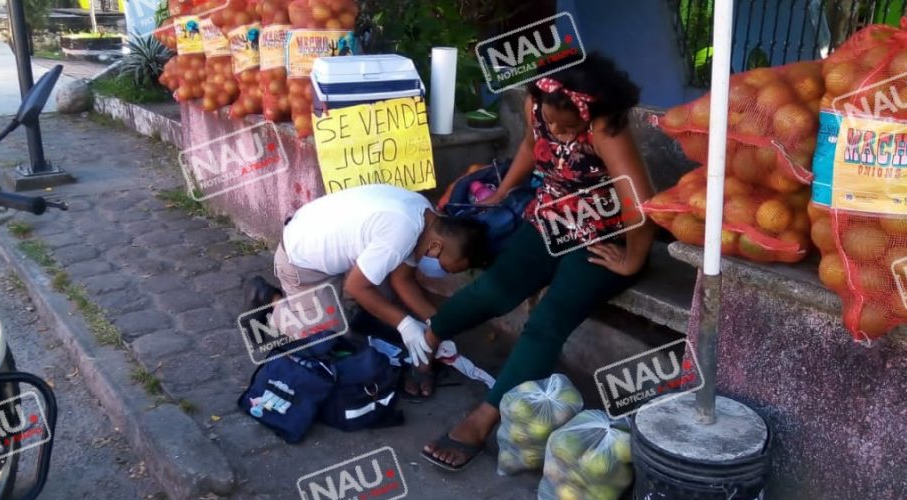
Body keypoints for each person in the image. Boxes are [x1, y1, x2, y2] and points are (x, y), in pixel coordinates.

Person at [419, 54, 657, 471]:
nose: (560, 132)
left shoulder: (605, 128)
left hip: (603, 235)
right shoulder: (539, 103)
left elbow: (639, 203)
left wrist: (632, 259)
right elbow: (531, 147)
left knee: (547, 322)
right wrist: (501, 193)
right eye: (554, 121)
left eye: (569, 126)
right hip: (550, 220)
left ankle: (484, 418)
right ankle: (427, 345)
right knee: (493, 290)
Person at [245, 183, 493, 370]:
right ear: (437, 247)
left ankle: (327, 306)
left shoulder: (423, 215)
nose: (444, 273)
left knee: (379, 301)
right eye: (449, 268)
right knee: (327, 339)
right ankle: (273, 303)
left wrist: (436, 324)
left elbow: (402, 280)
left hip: (325, 246)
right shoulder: (401, 232)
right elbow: (356, 287)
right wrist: (405, 324)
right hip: (301, 263)